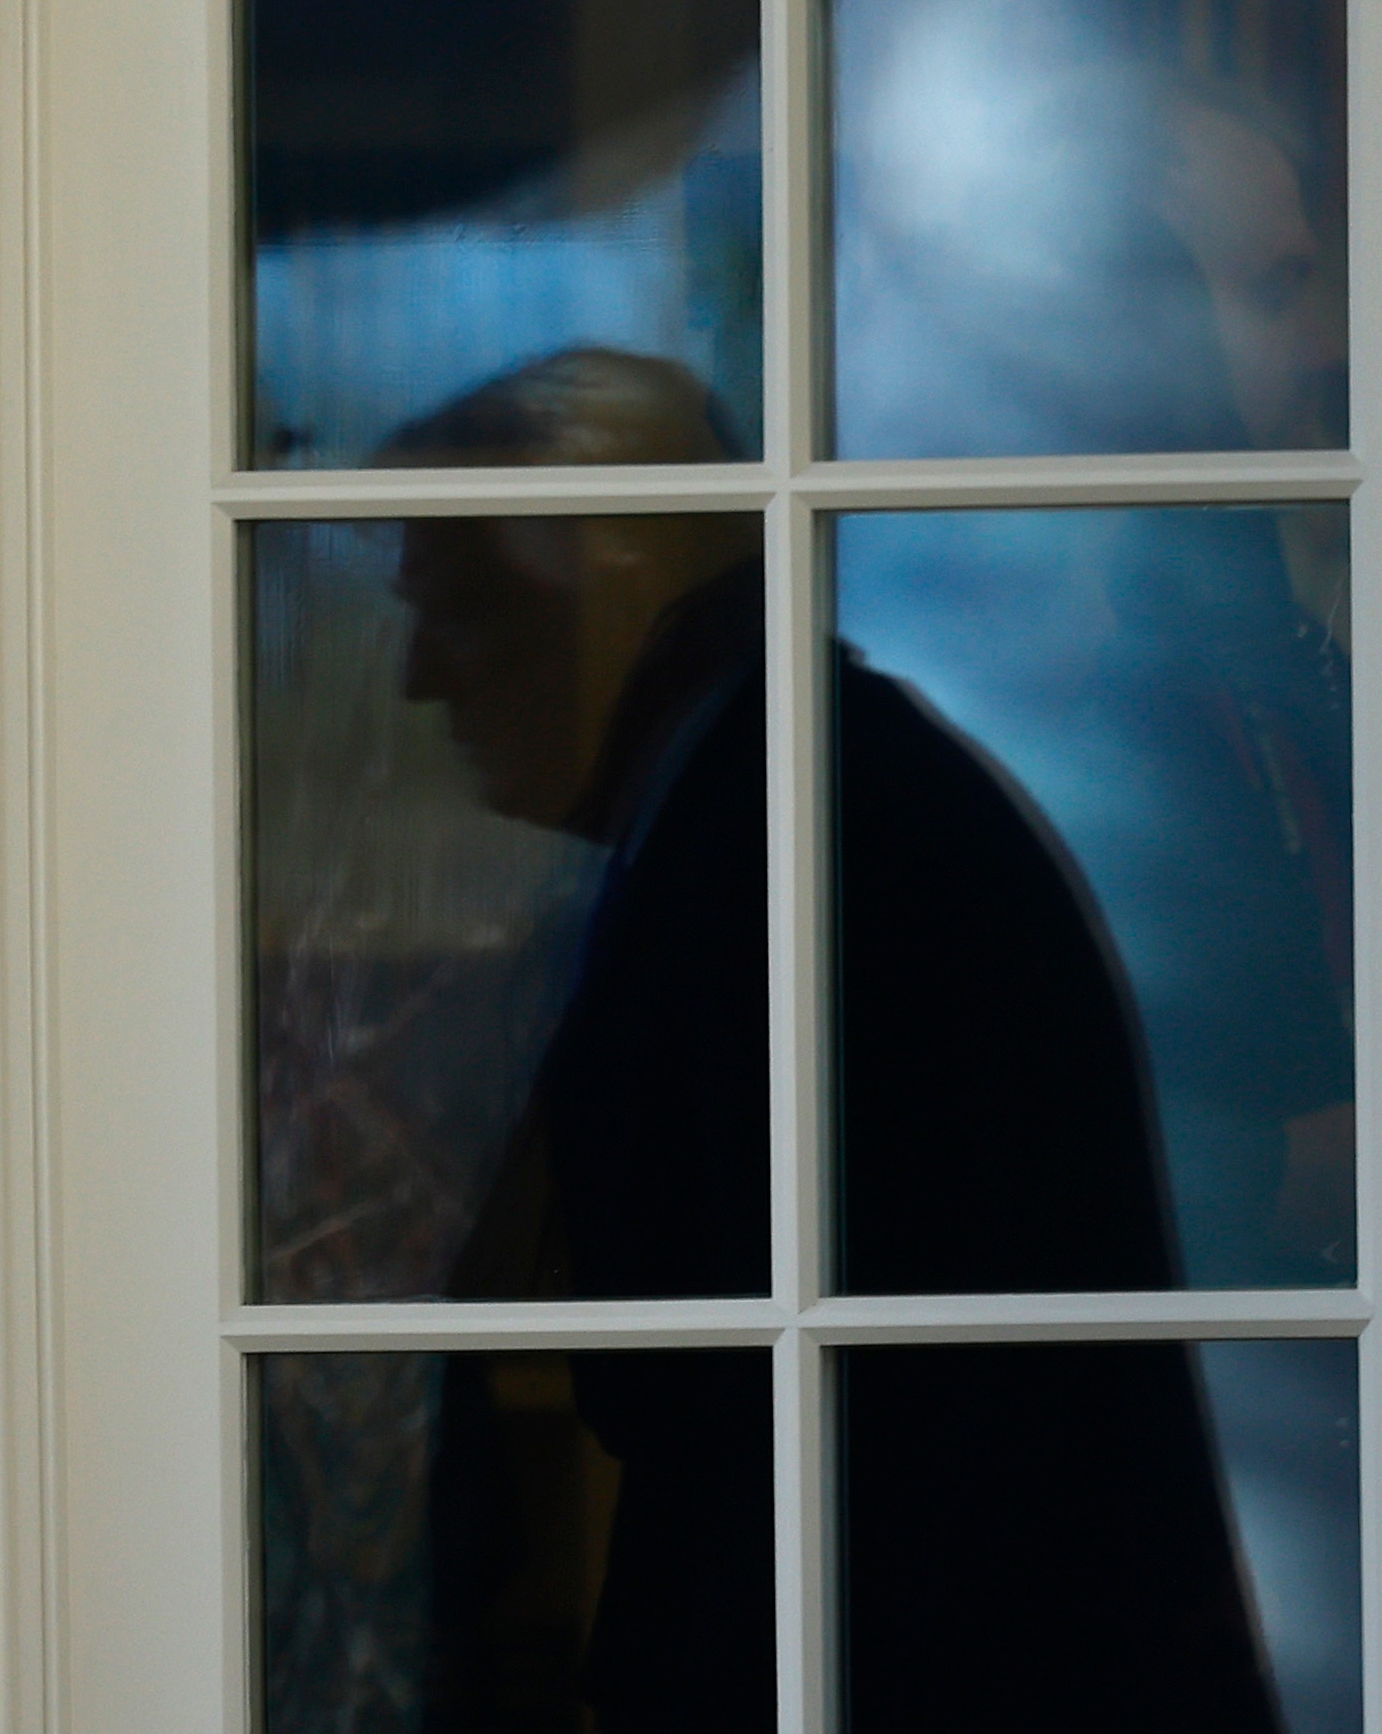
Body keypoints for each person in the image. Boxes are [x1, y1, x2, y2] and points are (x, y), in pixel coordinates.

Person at [323, 349, 1273, 1732]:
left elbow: (844, 1458)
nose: (420, 681)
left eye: (459, 609)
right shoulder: (786, 810)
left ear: (616, 578)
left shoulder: (805, 850)